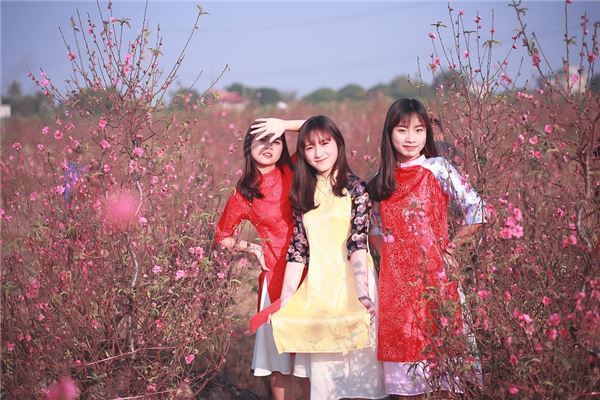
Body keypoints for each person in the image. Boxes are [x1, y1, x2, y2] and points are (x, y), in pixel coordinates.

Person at [257, 115, 386, 400]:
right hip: (318, 289)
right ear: (303, 153)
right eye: (310, 147)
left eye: (325, 144)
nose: (319, 153)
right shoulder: (303, 191)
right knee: (324, 379)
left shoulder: (356, 188)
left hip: (353, 283)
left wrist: (363, 293)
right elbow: (298, 250)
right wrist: (286, 300)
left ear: (338, 144)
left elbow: (357, 244)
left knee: (358, 372)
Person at [367, 98, 485, 398]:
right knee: (406, 382)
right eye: (402, 130)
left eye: (419, 130)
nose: (411, 138)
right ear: (389, 133)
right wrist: (393, 259)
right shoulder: (380, 180)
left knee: (446, 375)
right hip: (397, 287)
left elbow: (477, 209)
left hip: (436, 279)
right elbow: (375, 229)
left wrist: (451, 251)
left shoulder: (438, 168)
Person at [214, 123, 308, 400]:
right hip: (273, 273)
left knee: (307, 356)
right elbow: (222, 236)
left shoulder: (293, 170)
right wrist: (253, 248)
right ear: (248, 146)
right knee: (279, 360)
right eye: (261, 140)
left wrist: (283, 124)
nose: (269, 147)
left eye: (276, 141)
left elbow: (317, 128)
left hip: (310, 271)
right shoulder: (245, 192)